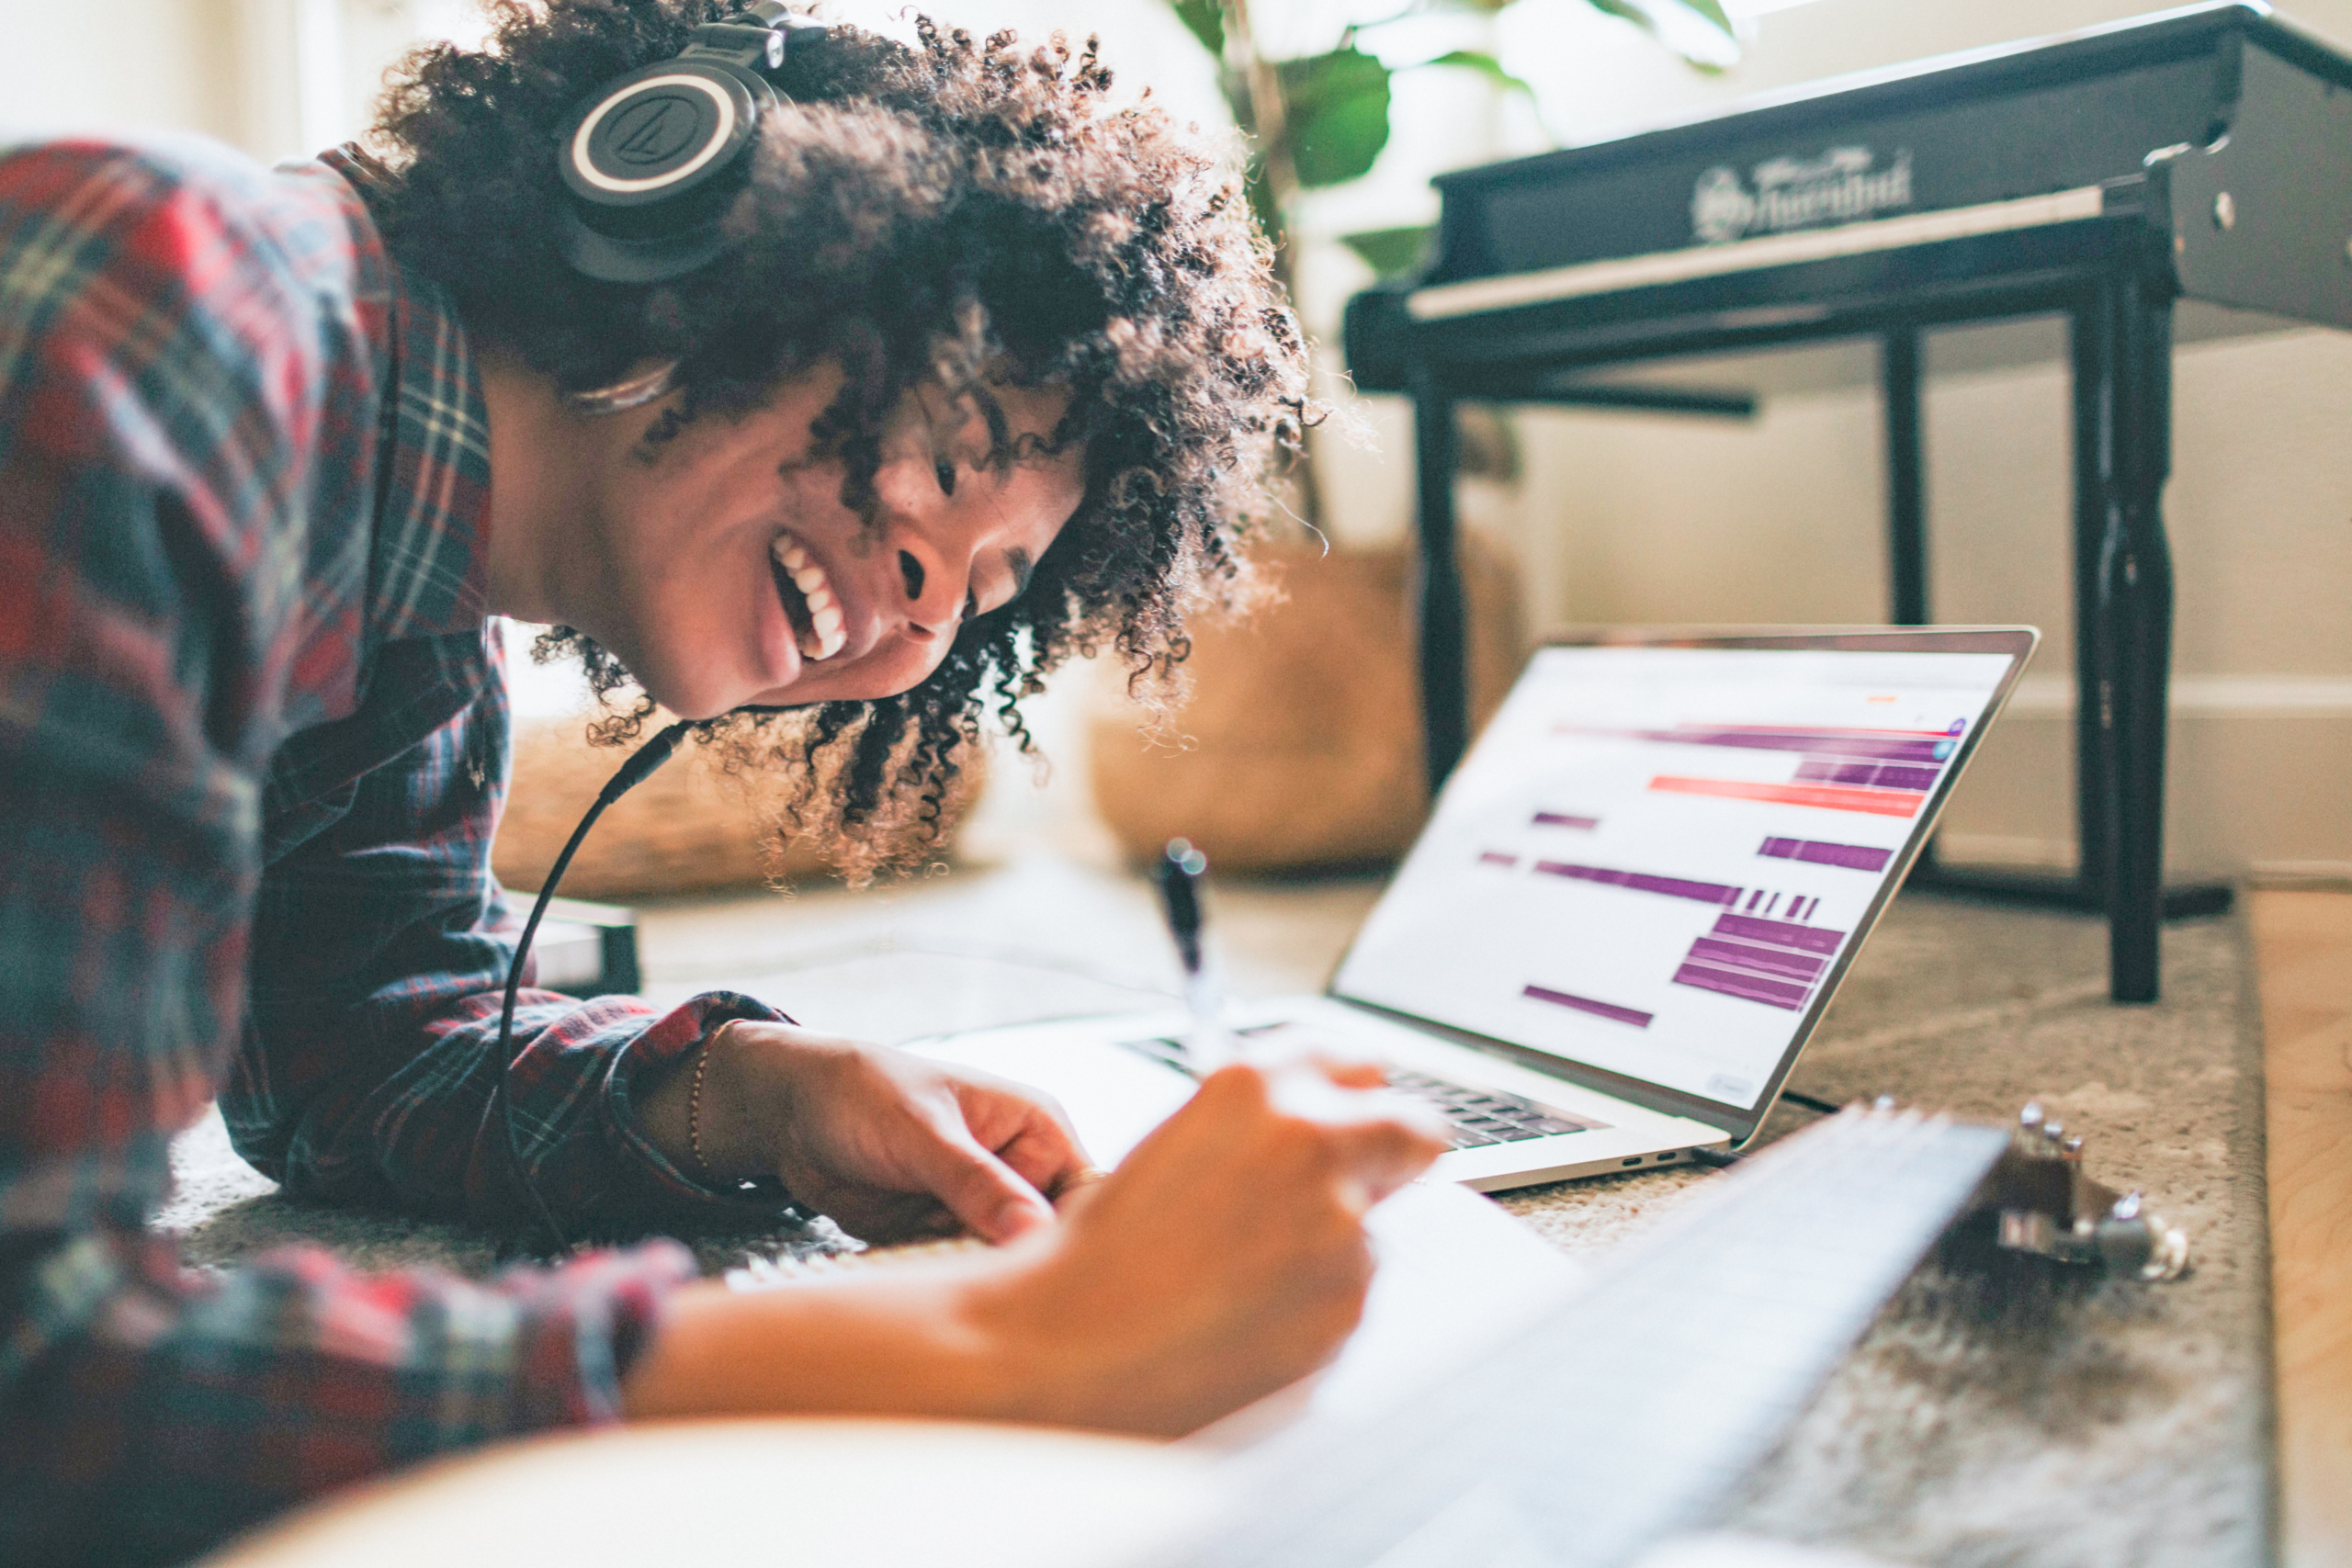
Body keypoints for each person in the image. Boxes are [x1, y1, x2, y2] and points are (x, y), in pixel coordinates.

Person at [0, 4, 1447, 1563]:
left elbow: (359, 1052)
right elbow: (42, 1374)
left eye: (991, 588)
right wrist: (1001, 1354)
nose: (922, 608)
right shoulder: (163, 300)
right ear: (691, 213)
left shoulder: (408, 613)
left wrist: (762, 1096)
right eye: (953, 453)